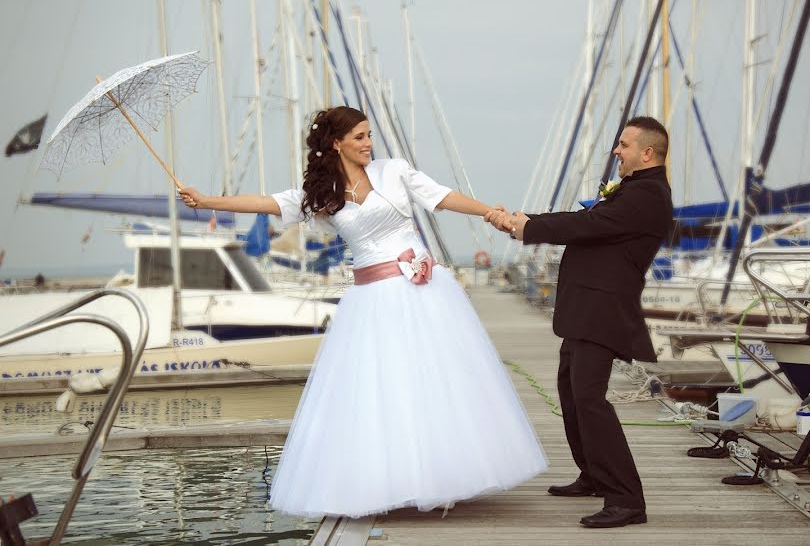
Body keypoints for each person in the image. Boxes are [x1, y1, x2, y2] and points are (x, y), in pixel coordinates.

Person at [179, 106, 546, 518]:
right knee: (383, 391)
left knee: (434, 383)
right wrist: (206, 199)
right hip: (371, 300)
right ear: (336, 143)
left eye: (369, 135)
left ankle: (443, 478)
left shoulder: (395, 172)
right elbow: (266, 203)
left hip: (422, 293)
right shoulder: (319, 195)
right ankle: (394, 481)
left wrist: (490, 212)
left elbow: (441, 197)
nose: (368, 143)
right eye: (359, 136)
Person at [485, 116, 674, 529]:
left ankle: (626, 499)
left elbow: (586, 225)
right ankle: (593, 474)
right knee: (571, 392)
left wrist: (526, 228)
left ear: (647, 152)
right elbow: (581, 219)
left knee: (589, 398)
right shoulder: (633, 191)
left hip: (603, 310)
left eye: (623, 145)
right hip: (586, 308)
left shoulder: (648, 195)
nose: (616, 151)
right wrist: (523, 218)